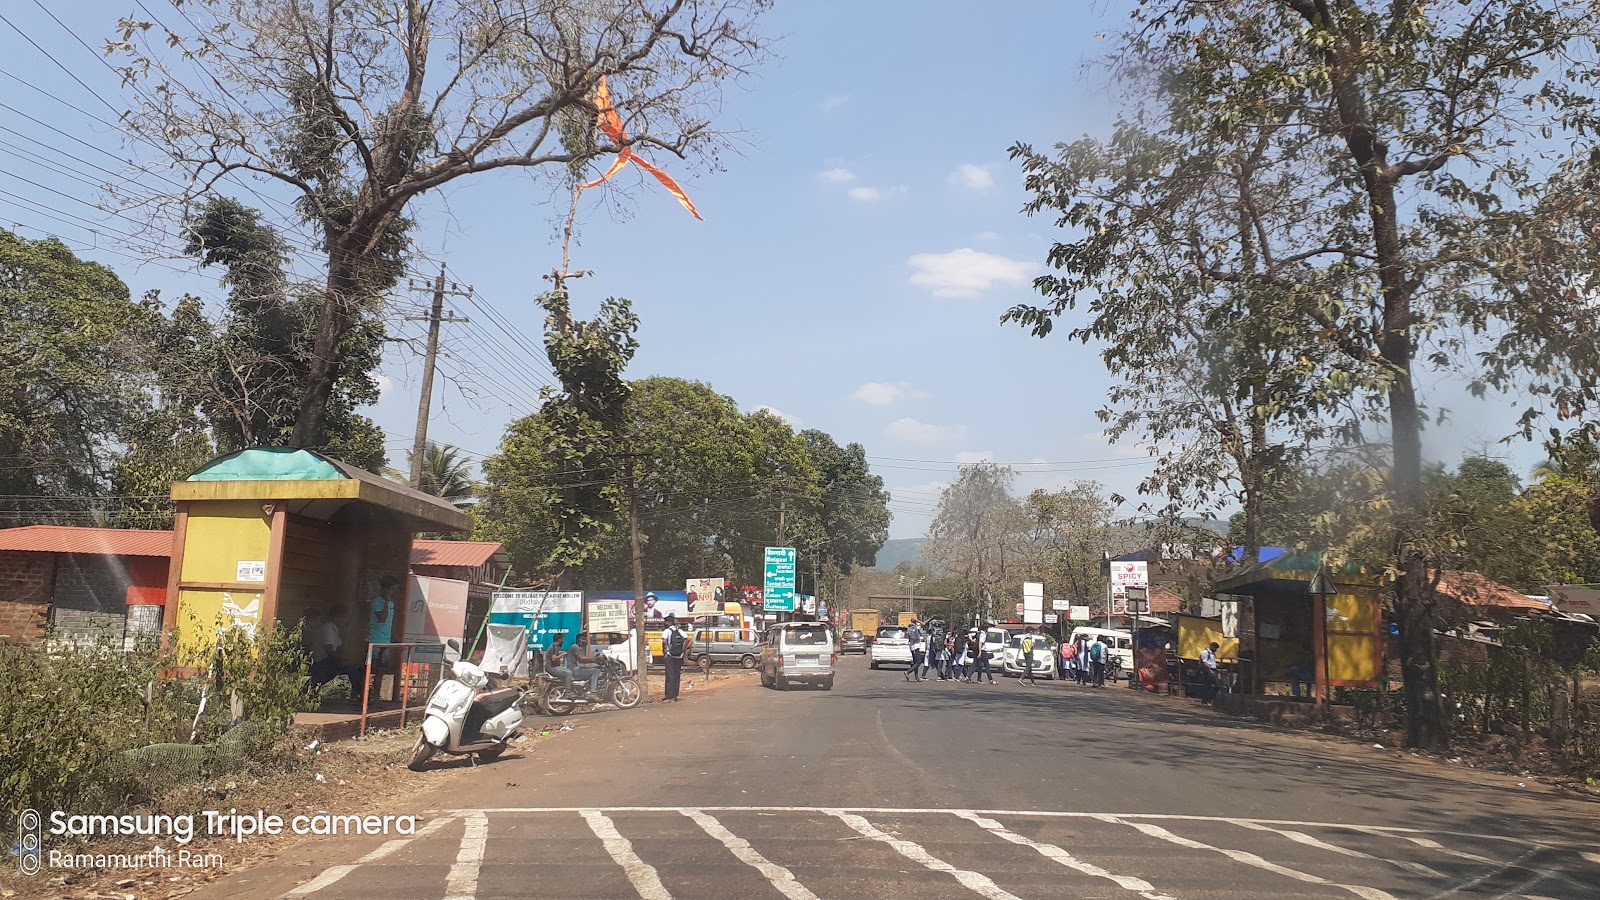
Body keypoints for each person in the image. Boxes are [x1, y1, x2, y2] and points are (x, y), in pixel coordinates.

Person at [306, 605, 346, 691]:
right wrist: (341, 660)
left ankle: (310, 689)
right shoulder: (328, 628)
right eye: (343, 617)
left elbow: (340, 647)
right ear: (336, 617)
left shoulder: (336, 629)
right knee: (350, 668)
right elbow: (329, 650)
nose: (345, 620)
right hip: (321, 660)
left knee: (353, 667)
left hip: (327, 660)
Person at [560, 632, 604, 698]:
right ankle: (593, 692)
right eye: (582, 639)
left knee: (595, 668)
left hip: (574, 669)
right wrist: (595, 659)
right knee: (596, 671)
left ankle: (586, 689)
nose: (583, 641)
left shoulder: (578, 648)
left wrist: (595, 661)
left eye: (585, 639)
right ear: (577, 639)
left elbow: (582, 661)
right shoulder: (575, 647)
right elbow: (581, 659)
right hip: (573, 670)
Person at [662, 613, 690, 701]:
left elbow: (664, 641)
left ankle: (669, 696)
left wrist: (665, 651)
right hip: (679, 656)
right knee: (677, 675)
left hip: (670, 656)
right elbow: (687, 639)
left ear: (667, 622)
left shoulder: (667, 631)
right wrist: (683, 650)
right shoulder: (680, 631)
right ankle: (675, 695)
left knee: (670, 675)